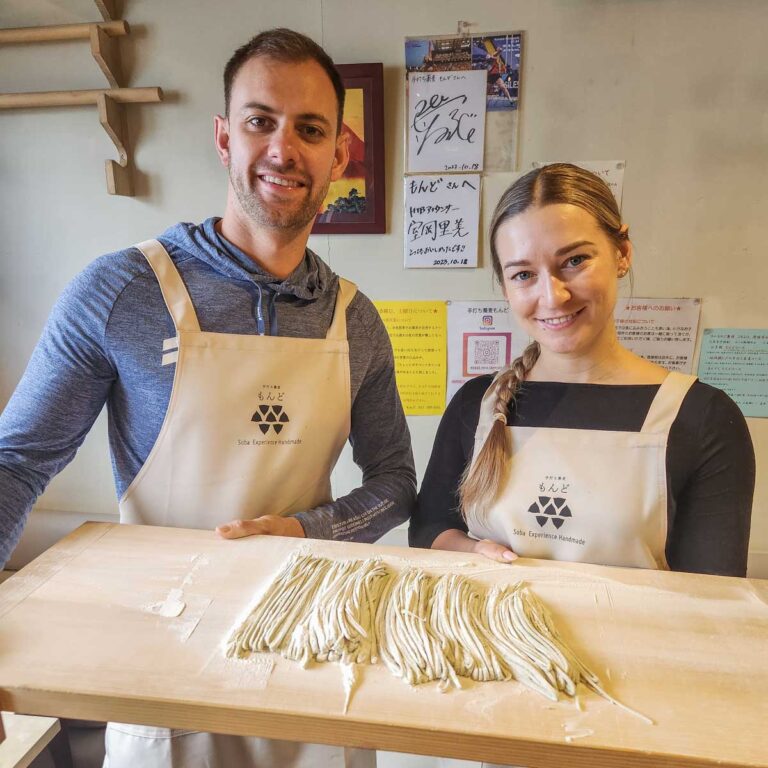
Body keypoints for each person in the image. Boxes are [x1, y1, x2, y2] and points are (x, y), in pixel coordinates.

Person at [0, 28, 415, 768]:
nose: (283, 150)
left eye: (310, 129)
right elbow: (16, 463)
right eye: (260, 121)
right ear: (224, 138)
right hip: (162, 666)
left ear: (339, 156)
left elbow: (395, 485)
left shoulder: (357, 320)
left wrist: (308, 530)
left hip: (314, 657)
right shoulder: (121, 291)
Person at [411, 163, 753, 577]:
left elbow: (715, 594)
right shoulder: (477, 403)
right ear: (504, 286)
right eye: (523, 274)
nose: (553, 297)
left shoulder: (703, 418)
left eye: (574, 260)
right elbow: (429, 527)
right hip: (489, 638)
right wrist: (470, 548)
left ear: (622, 253)